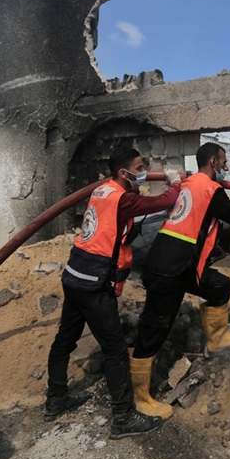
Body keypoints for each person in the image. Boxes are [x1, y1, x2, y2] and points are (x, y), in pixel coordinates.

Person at [45, 147, 183, 439]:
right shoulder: (122, 199)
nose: (143, 171)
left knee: (64, 340)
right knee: (116, 349)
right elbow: (161, 202)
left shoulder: (102, 191)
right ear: (124, 173)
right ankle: (123, 417)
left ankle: (56, 399)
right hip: (93, 283)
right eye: (139, 167)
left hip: (74, 274)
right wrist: (175, 183)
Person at [130, 142, 230, 417]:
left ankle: (217, 338)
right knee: (154, 329)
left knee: (220, 285)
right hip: (169, 267)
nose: (226, 168)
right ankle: (139, 398)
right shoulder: (209, 189)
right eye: (223, 162)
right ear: (212, 162)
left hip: (182, 264)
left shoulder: (191, 183)